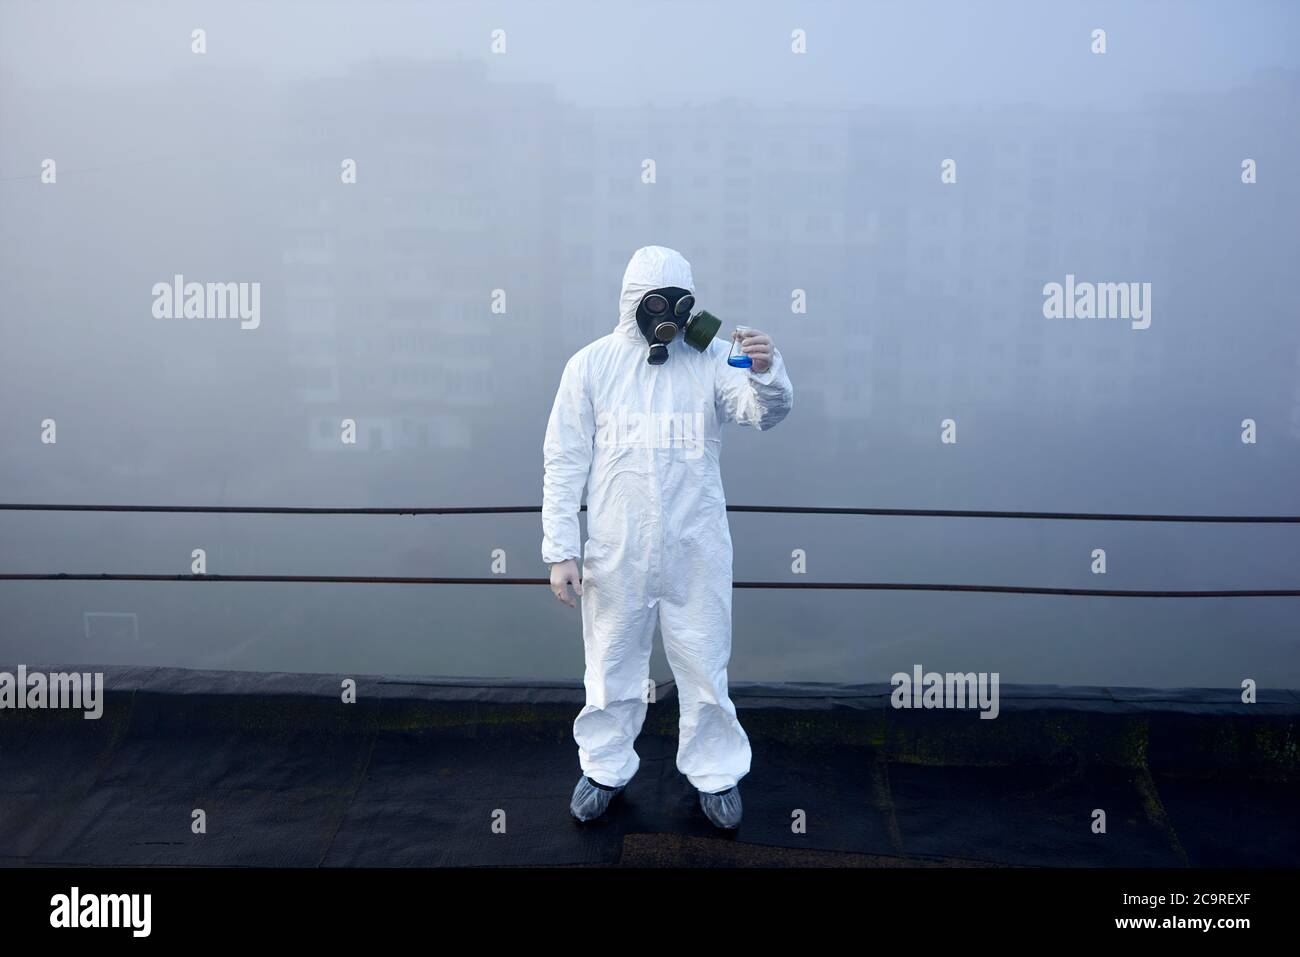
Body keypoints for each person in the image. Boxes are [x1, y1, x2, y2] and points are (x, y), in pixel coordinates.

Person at [542, 245, 794, 829]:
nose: (669, 315)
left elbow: (764, 413)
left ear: (691, 306)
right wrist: (562, 550)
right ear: (633, 302)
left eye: (679, 304)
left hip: (696, 548)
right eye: (656, 303)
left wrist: (766, 370)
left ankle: (716, 771)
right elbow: (564, 460)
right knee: (610, 667)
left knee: (706, 665)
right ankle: (604, 767)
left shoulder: (712, 360)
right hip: (616, 551)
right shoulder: (592, 366)